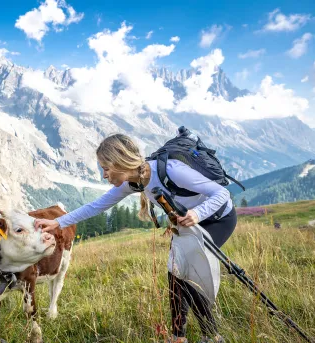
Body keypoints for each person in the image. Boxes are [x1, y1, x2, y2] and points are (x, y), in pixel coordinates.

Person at [34, 133, 237, 343]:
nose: (104, 175)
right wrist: (58, 223)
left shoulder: (172, 171)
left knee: (191, 275)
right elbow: (95, 206)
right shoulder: (133, 183)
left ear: (121, 162)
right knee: (175, 274)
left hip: (217, 219)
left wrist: (197, 214)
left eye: (106, 168)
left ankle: (212, 336)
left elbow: (221, 194)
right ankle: (178, 337)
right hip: (188, 224)